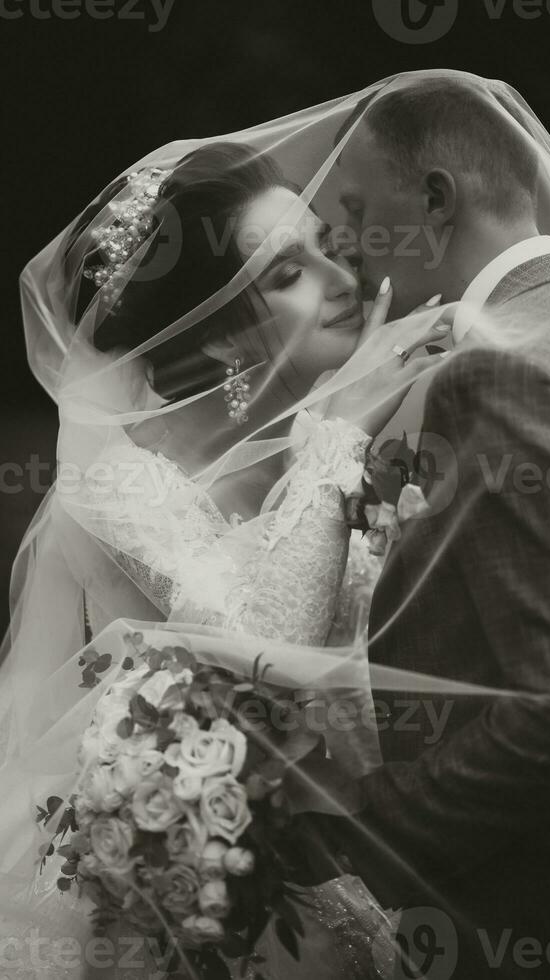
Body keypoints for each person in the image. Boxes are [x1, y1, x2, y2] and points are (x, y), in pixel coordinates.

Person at [0, 137, 446, 979]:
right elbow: (265, 644)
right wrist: (349, 424)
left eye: (324, 244)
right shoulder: (116, 486)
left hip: (352, 874)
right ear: (214, 342)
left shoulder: (324, 440)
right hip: (186, 913)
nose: (341, 278)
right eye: (287, 273)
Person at [328, 73, 550, 977]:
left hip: (549, 909)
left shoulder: (500, 373)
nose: (348, 249)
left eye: (357, 213)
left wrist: (366, 839)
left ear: (435, 199)